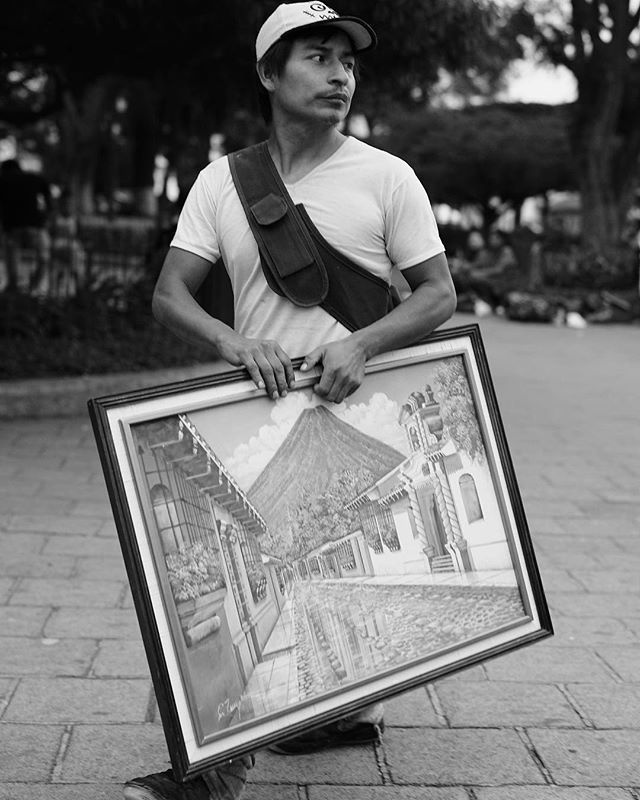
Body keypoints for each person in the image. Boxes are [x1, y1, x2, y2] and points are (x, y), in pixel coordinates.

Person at [124, 3, 456, 799]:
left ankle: (250, 756)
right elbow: (171, 294)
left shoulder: (386, 176)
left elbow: (438, 293)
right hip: (260, 413)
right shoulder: (222, 182)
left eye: (348, 61)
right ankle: (278, 741)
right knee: (259, 572)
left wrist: (363, 343)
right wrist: (234, 342)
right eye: (318, 57)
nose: (341, 75)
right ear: (270, 74)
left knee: (305, 576)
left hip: (354, 404)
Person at [0, 159, 52, 291]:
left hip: (12, 227)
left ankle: (13, 285)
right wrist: (47, 212)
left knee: (12, 257)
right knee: (43, 257)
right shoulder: (33, 178)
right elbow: (47, 191)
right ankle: (34, 285)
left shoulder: (4, 179)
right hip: (35, 225)